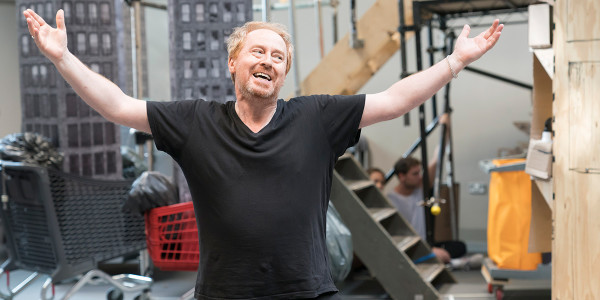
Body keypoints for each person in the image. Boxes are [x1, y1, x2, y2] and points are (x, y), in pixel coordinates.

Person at [23, 8, 503, 299]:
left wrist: (455, 61)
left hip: (306, 290)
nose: (268, 61)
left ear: (284, 73)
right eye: (258, 52)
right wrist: (63, 58)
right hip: (225, 294)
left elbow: (395, 100)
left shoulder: (317, 117)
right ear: (234, 62)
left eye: (278, 57)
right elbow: (119, 106)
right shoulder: (196, 120)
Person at [387, 114, 460, 263]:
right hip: (409, 248)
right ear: (402, 176)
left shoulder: (419, 189)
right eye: (415, 174)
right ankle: (432, 257)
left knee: (459, 247)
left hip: (427, 243)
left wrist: (446, 127)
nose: (420, 177)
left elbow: (437, 158)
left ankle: (435, 256)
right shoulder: (390, 200)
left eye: (419, 172)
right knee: (443, 255)